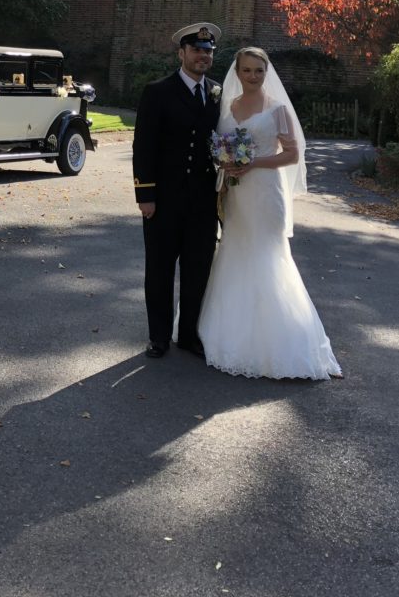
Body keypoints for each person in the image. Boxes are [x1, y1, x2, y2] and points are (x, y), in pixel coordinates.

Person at [197, 46, 342, 380]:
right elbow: (219, 144)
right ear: (237, 72)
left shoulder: (277, 110)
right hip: (237, 194)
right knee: (235, 249)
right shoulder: (227, 107)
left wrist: (252, 164)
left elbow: (292, 154)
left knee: (268, 255)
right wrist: (225, 162)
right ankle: (228, 331)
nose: (252, 76)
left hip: (265, 192)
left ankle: (279, 342)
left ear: (266, 72)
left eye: (258, 71)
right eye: (246, 70)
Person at [132, 22, 222, 359]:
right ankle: (158, 336)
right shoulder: (157, 91)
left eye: (208, 51)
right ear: (181, 53)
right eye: (197, 50)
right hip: (164, 200)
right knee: (160, 269)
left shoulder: (218, 93)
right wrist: (146, 195)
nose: (203, 55)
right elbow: (144, 146)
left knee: (198, 270)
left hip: (203, 201)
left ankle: (188, 335)